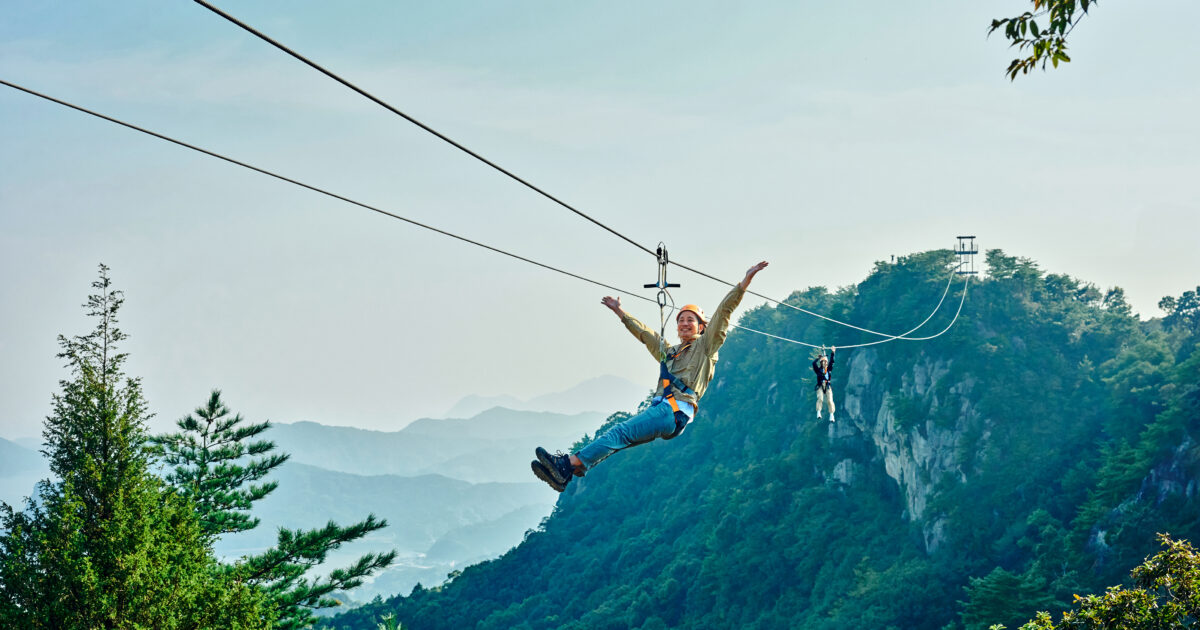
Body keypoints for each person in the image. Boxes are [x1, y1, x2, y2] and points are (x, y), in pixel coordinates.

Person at [531, 261, 769, 492]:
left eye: (690, 320)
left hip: (673, 410)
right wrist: (620, 311)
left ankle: (566, 465)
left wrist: (744, 281)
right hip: (667, 412)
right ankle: (568, 474)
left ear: (701, 327)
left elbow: (723, 312)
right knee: (618, 440)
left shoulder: (706, 347)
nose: (685, 324)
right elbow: (646, 334)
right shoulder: (671, 352)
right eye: (681, 321)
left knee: (619, 432)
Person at [813, 346, 836, 422]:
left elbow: (832, 361)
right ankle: (818, 412)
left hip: (828, 386)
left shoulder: (829, 369)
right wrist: (818, 358)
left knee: (830, 400)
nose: (824, 363)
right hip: (820, 385)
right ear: (821, 363)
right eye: (822, 362)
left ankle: (831, 415)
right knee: (820, 398)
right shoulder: (818, 370)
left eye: (825, 362)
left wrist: (833, 352)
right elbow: (813, 364)